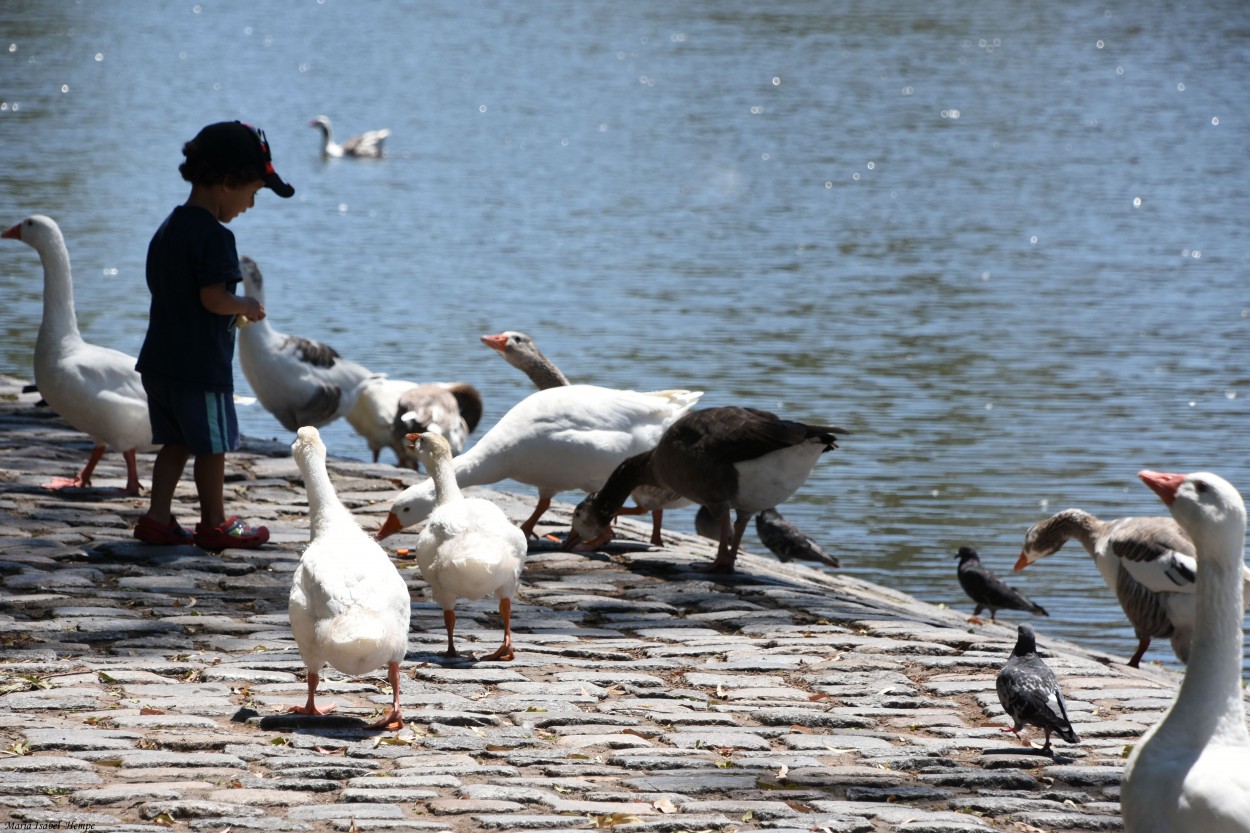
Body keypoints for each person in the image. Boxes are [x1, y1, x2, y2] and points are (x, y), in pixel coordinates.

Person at [132, 121, 295, 550]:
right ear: (226, 183)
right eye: (253, 193)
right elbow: (213, 298)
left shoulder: (168, 228)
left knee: (176, 442)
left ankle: (157, 518)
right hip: (199, 367)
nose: (251, 205)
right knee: (212, 446)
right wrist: (245, 306)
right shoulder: (217, 237)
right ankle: (215, 522)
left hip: (159, 362)